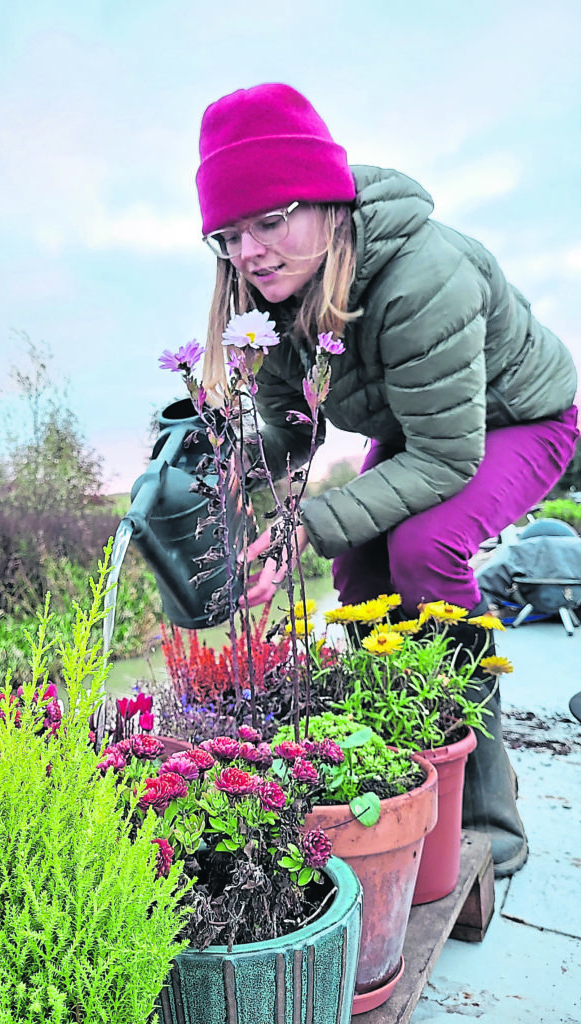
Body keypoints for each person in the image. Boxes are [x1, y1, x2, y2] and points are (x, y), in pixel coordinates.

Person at [194, 82, 579, 877]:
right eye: (229, 235)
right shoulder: (270, 292)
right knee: (359, 567)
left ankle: (483, 796)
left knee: (426, 550)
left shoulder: (421, 276)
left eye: (271, 221)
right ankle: (406, 763)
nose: (250, 251)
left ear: (329, 203)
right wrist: (228, 490)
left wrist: (302, 525)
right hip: (423, 425)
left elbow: (447, 458)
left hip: (520, 420)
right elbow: (291, 433)